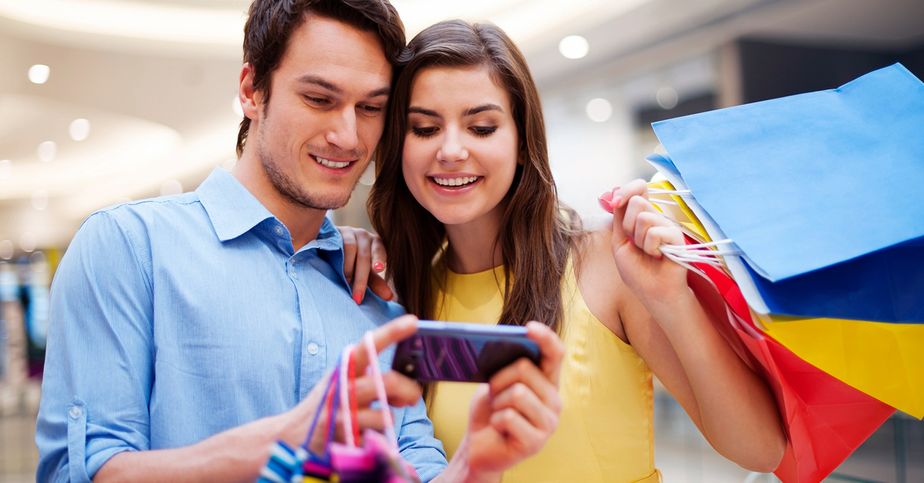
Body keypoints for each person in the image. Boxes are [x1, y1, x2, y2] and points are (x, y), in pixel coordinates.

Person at [35, 2, 564, 482]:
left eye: (370, 107)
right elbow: (84, 472)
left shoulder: (373, 292)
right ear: (251, 90)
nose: (348, 136)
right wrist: (279, 444)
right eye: (318, 98)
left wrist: (475, 465)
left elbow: (416, 466)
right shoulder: (129, 248)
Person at [367, 19, 786, 482]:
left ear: (523, 142)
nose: (450, 150)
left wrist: (672, 298)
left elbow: (759, 449)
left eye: (481, 127)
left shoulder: (605, 260)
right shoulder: (403, 292)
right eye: (424, 128)